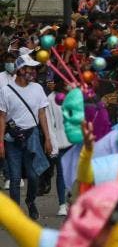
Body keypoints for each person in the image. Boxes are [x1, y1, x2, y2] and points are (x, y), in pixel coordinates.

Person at [0, 53, 52, 219]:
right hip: (12, 139)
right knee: (15, 178)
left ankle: (30, 201)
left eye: (34, 69)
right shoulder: (5, 91)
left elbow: (42, 114)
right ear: (20, 70)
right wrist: (0, 142)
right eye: (29, 68)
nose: (33, 72)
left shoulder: (37, 88)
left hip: (32, 136)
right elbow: (1, 116)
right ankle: (16, 214)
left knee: (33, 174)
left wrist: (48, 139)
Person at [41, 79, 71, 216]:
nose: (68, 83)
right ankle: (62, 204)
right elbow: (50, 123)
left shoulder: (76, 95)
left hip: (77, 140)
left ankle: (75, 202)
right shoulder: (51, 99)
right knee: (61, 173)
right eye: (66, 81)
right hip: (61, 141)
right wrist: (52, 144)